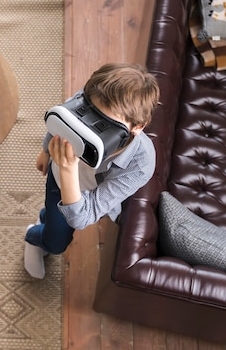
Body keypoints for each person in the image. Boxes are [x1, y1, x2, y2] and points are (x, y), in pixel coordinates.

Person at [24, 63, 160, 279]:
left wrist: (69, 168)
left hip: (82, 194)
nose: (87, 126)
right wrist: (46, 150)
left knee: (57, 223)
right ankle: (33, 236)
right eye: (87, 111)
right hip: (58, 180)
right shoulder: (93, 97)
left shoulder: (141, 163)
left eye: (104, 125)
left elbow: (83, 217)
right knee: (57, 244)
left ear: (138, 126)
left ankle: (46, 223)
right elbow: (62, 120)